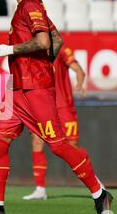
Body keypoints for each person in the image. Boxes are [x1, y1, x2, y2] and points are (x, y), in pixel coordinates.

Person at [0, 0, 113, 214]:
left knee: (59, 146)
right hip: (17, 91)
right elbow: (58, 39)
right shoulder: (26, 8)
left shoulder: (32, 5)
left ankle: (100, 194)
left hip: (36, 90)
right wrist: (41, 62)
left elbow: (45, 42)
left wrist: (10, 51)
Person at [23, 46, 86, 200]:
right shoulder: (34, 54)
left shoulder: (63, 50)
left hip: (64, 107)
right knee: (37, 142)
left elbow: (79, 70)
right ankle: (40, 189)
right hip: (43, 107)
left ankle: (94, 180)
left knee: (73, 147)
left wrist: (79, 83)